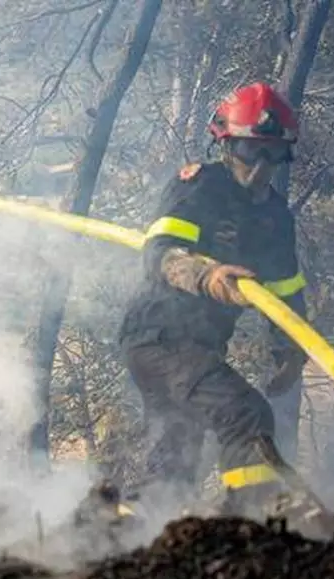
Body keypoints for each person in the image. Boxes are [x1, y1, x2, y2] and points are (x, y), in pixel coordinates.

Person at [117, 82, 309, 518]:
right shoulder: (199, 187)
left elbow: (286, 289)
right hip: (159, 337)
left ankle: (124, 536)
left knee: (175, 463)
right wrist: (208, 277)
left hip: (197, 346)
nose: (259, 167)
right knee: (246, 414)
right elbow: (160, 254)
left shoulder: (275, 217)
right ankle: (245, 526)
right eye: (250, 150)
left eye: (272, 153)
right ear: (226, 144)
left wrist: (290, 349)